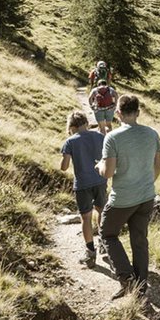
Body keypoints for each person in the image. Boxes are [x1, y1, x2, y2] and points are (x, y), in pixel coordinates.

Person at [98, 95, 160, 299]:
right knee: (140, 240)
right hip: (146, 196)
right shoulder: (152, 134)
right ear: (138, 112)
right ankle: (141, 286)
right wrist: (147, 184)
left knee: (107, 233)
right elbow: (157, 166)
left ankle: (127, 279)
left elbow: (108, 173)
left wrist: (99, 166)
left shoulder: (113, 138)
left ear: (117, 113)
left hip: (123, 198)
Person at [59, 110, 106, 267]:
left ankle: (90, 253)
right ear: (86, 123)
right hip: (100, 180)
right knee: (101, 211)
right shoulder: (100, 136)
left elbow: (64, 167)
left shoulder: (70, 141)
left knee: (85, 218)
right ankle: (104, 244)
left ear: (71, 126)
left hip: (82, 184)